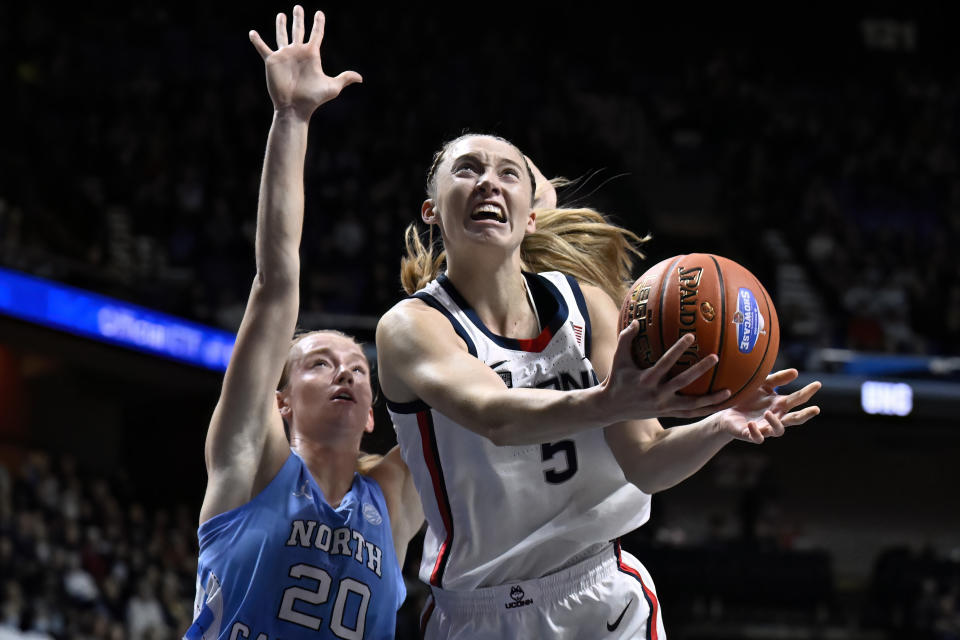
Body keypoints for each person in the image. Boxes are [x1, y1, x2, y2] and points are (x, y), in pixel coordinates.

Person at [375, 133, 822, 639]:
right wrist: (606, 401)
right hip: (479, 612)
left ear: (532, 217)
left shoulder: (587, 303)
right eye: (467, 170)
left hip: (602, 597)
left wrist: (718, 426)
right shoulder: (413, 326)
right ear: (431, 211)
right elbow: (494, 415)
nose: (487, 183)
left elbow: (646, 460)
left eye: (507, 173)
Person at [184, 7, 422, 639]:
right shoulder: (251, 461)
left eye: (357, 368)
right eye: (320, 361)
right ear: (281, 401)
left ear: (373, 413)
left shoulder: (395, 495)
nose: (346, 368)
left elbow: (486, 385)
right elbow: (275, 285)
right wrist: (291, 119)